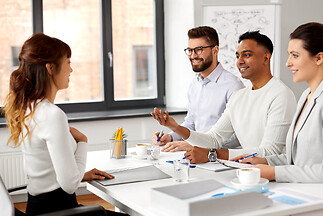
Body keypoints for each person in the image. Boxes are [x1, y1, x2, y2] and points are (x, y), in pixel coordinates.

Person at [231, 22, 323, 196]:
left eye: (295, 56)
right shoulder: (307, 95)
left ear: (319, 58)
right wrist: (263, 161)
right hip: (308, 192)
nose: (288, 63)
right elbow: (298, 160)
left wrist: (273, 173)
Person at [3, 33, 126, 216]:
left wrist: (80, 175)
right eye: (68, 62)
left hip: (38, 208)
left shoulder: (28, 108)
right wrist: (83, 141)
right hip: (61, 211)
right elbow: (69, 185)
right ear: (51, 68)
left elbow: (43, 169)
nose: (71, 70)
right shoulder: (52, 115)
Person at [151, 31, 296, 163]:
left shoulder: (281, 95)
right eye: (238, 56)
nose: (239, 61)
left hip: (275, 175)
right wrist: (174, 127)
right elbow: (214, 139)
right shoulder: (239, 97)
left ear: (266, 58)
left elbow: (270, 152)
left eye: (247, 55)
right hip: (247, 170)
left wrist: (212, 154)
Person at [152, 26, 244, 152]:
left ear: (215, 50)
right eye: (190, 50)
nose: (193, 55)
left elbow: (239, 135)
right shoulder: (194, 85)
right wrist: (171, 137)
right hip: (197, 155)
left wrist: (198, 145)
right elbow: (191, 123)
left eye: (199, 50)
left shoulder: (233, 86)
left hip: (222, 159)